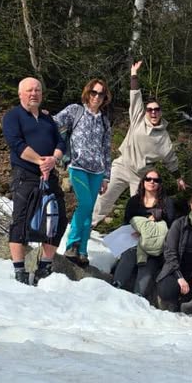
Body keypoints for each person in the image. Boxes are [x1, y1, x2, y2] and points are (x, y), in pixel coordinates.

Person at [92, 60, 186, 225]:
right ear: (146, 112)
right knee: (104, 198)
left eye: (156, 110)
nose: (153, 112)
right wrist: (134, 75)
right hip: (122, 166)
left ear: (160, 112)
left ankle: (135, 238)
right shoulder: (138, 119)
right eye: (150, 110)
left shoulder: (164, 137)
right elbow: (135, 96)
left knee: (139, 208)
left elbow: (171, 160)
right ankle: (88, 227)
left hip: (141, 176)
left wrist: (178, 178)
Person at [2, 76, 67, 285]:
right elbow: (16, 143)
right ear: (20, 94)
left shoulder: (48, 119)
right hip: (25, 175)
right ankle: (20, 269)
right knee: (21, 220)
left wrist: (53, 159)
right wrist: (40, 161)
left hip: (49, 177)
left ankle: (45, 265)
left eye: (37, 90)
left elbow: (60, 141)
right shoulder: (13, 117)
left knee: (58, 219)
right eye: (29, 90)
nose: (33, 94)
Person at [54, 78, 112, 267]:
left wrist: (106, 176)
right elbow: (55, 122)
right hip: (78, 166)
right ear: (87, 93)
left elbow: (106, 149)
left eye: (100, 94)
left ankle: (82, 250)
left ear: (105, 97)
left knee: (88, 210)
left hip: (97, 171)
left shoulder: (104, 121)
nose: (96, 97)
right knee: (85, 204)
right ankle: (72, 244)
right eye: (93, 92)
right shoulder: (75, 111)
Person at [112, 169, 176, 299]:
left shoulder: (166, 203)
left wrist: (156, 221)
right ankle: (115, 286)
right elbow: (126, 222)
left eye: (156, 180)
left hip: (154, 246)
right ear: (143, 182)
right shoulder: (134, 201)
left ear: (160, 184)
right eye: (148, 179)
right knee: (129, 255)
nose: (152, 182)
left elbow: (171, 225)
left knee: (148, 264)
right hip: (133, 242)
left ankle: (138, 297)